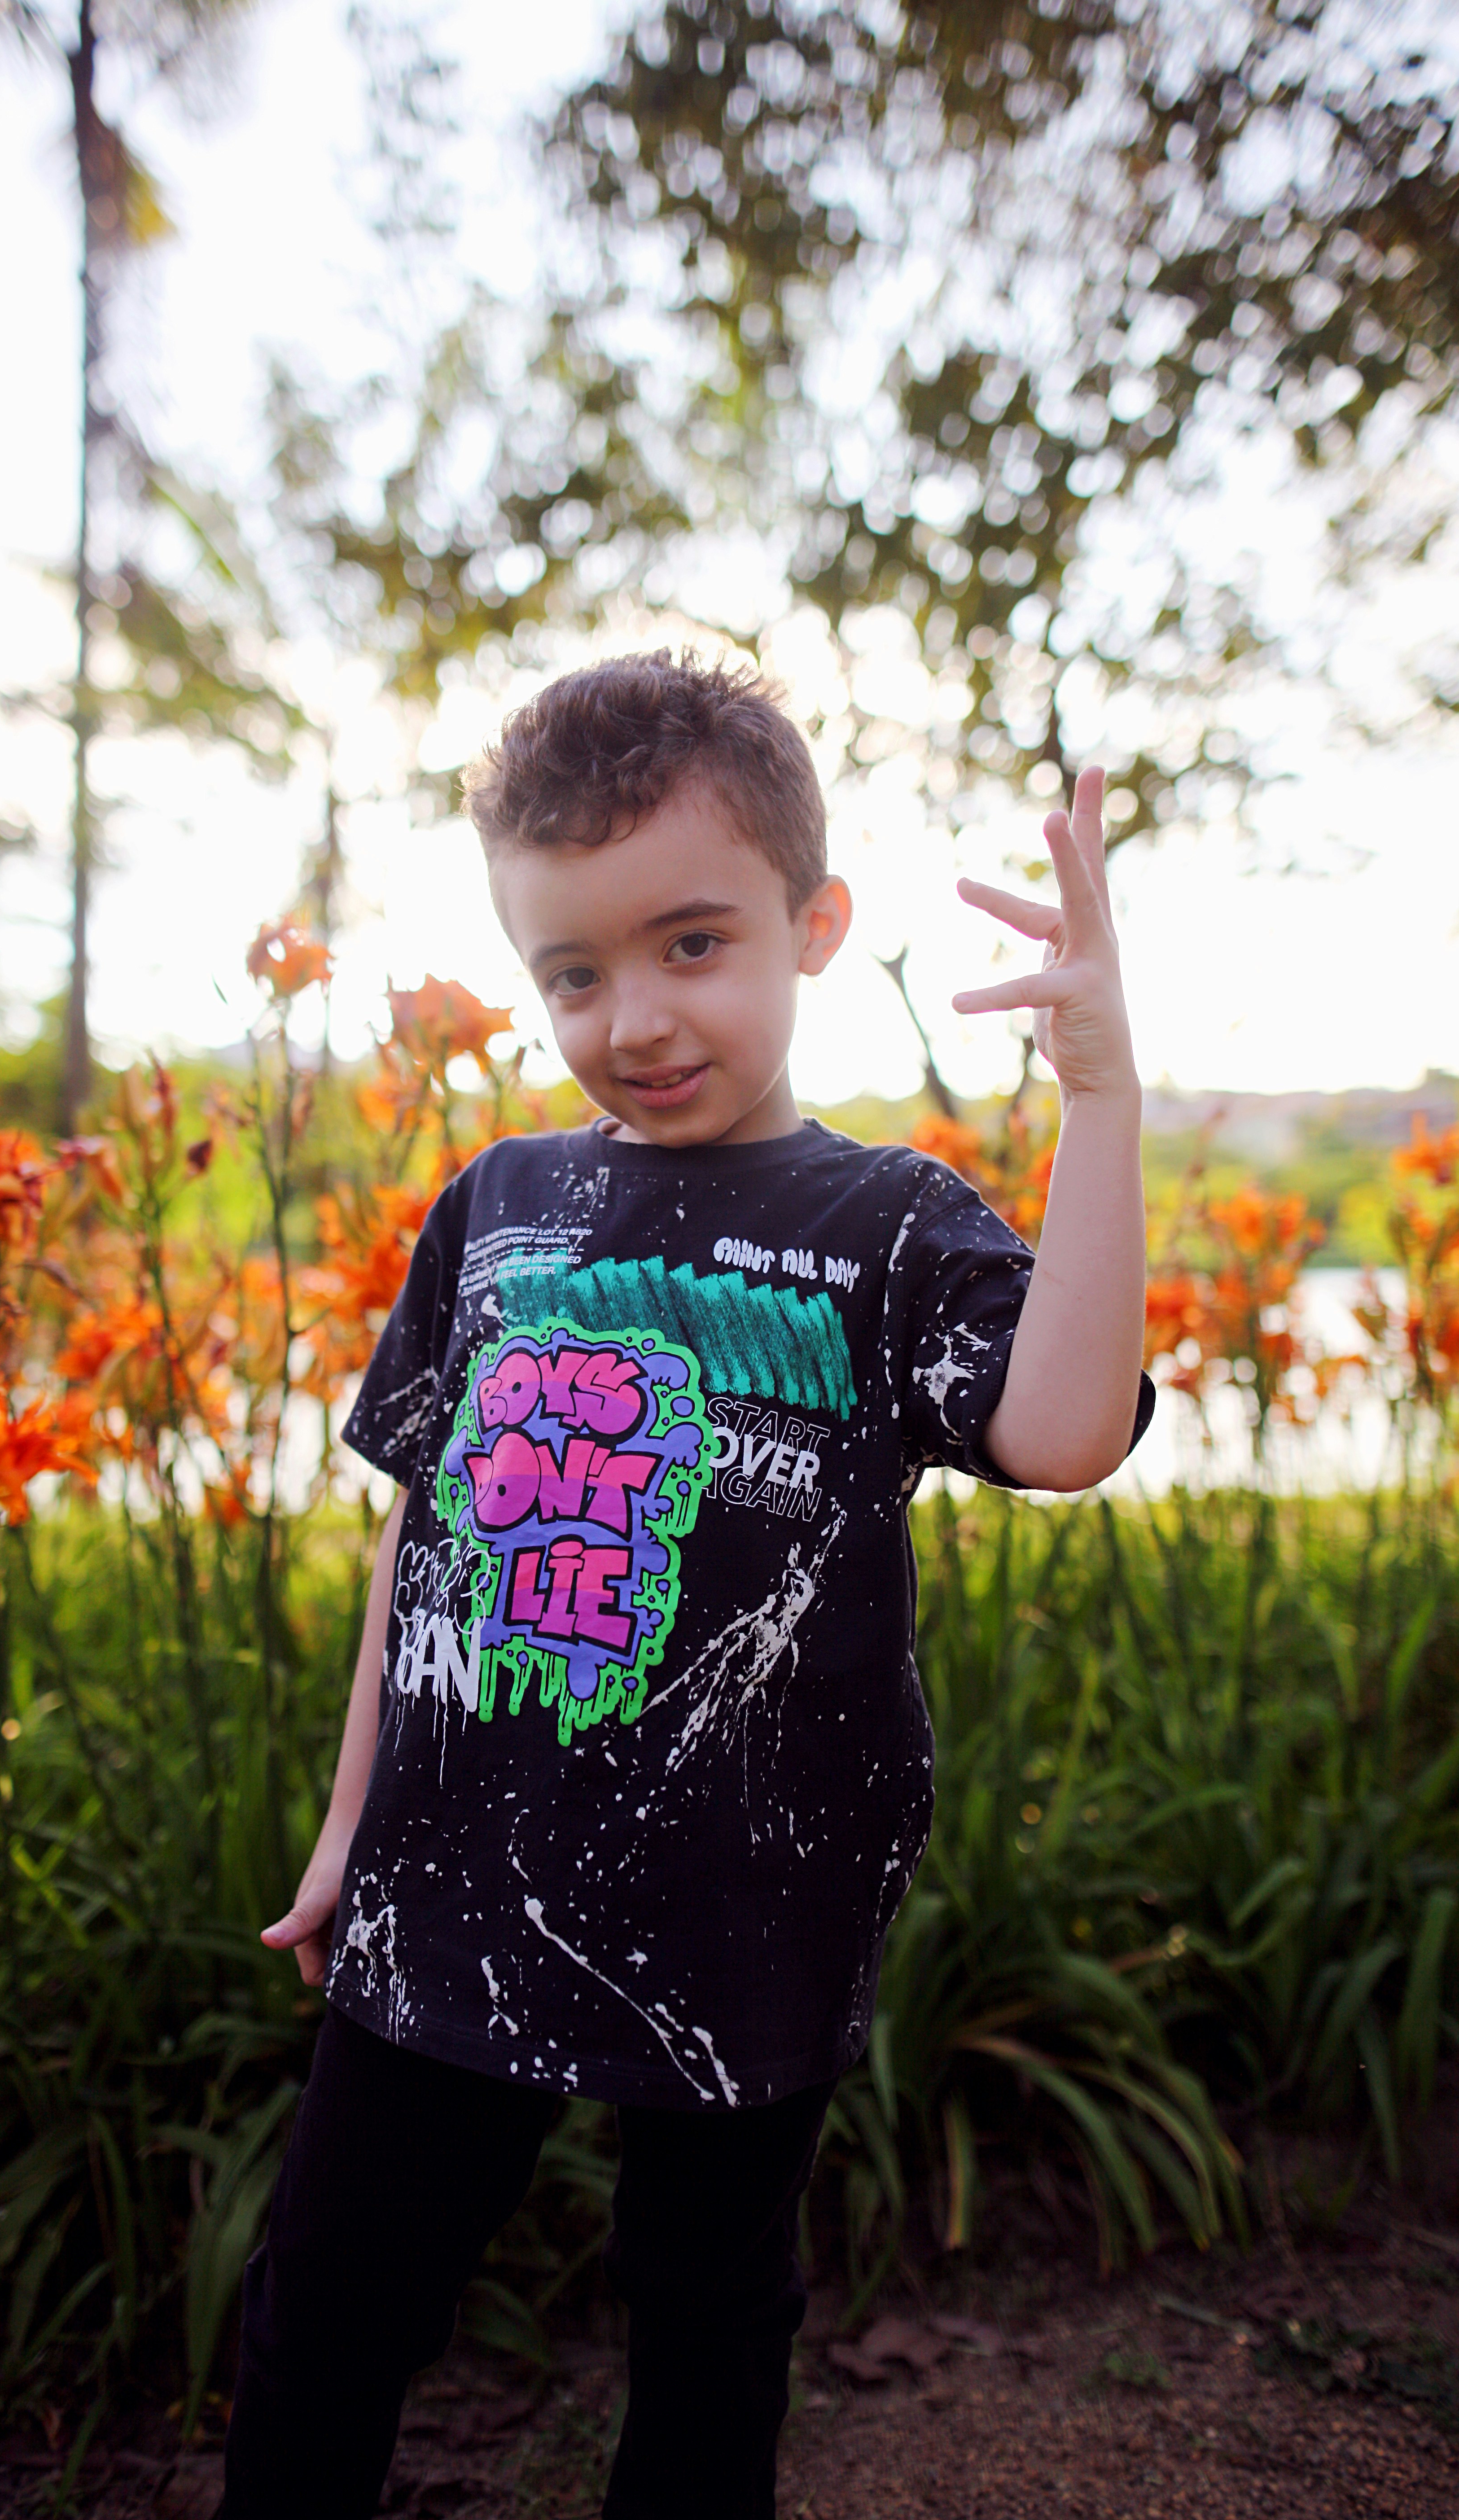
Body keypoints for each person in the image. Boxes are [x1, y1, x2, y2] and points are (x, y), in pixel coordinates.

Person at [221, 650, 1152, 2517]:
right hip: (452, 1886)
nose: (630, 1016)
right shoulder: (495, 1202)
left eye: (693, 946)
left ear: (816, 927)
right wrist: (352, 1824)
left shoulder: (891, 1225)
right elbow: (424, 1534)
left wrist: (1106, 1093)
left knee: (708, 2323)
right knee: (324, 2303)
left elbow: (1061, 1432)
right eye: (573, 970)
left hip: (750, 1902)